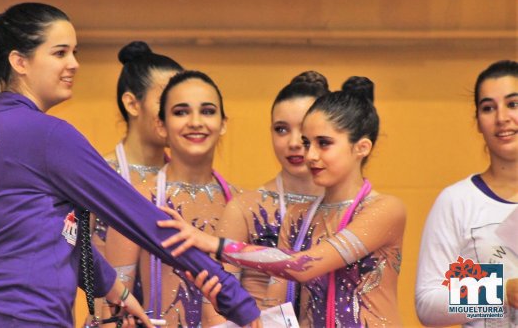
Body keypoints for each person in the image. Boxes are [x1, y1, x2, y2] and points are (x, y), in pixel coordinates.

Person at [0, 2, 260, 327]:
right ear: (20, 61)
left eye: (75, 52)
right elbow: (141, 219)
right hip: (24, 318)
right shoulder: (47, 134)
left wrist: (115, 289)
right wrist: (236, 299)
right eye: (60, 53)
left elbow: (52, 235)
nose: (74, 64)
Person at [160, 76, 407, 327]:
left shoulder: (385, 209)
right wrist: (227, 307)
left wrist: (212, 242)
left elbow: (303, 266)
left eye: (324, 144)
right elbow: (275, 312)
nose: (309, 154)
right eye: (308, 143)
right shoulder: (298, 216)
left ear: (362, 147)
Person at [106, 70, 237, 327]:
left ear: (223, 123)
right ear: (161, 125)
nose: (196, 122)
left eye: (208, 111)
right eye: (181, 112)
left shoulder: (242, 204)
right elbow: (108, 309)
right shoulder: (135, 201)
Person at [203, 71, 328, 326]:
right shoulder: (246, 208)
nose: (293, 142)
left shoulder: (348, 210)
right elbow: (214, 306)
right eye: (281, 129)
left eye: (304, 130)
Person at [415, 60, 518, 327]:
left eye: (513, 104)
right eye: (488, 108)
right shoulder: (457, 200)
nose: (502, 118)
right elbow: (427, 302)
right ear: (477, 121)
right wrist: (501, 292)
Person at [90, 41, 183, 324]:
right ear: (132, 103)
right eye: (166, 102)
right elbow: (80, 258)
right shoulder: (98, 173)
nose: (175, 114)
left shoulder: (183, 179)